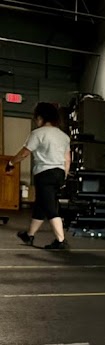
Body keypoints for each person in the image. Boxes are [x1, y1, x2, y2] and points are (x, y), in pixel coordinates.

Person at [5, 102, 71, 250]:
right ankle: (29, 235)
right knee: (41, 205)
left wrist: (11, 163)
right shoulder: (64, 136)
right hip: (59, 173)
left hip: (44, 174)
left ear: (40, 117)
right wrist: (63, 177)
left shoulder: (38, 133)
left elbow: (24, 153)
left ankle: (61, 240)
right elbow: (67, 159)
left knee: (50, 208)